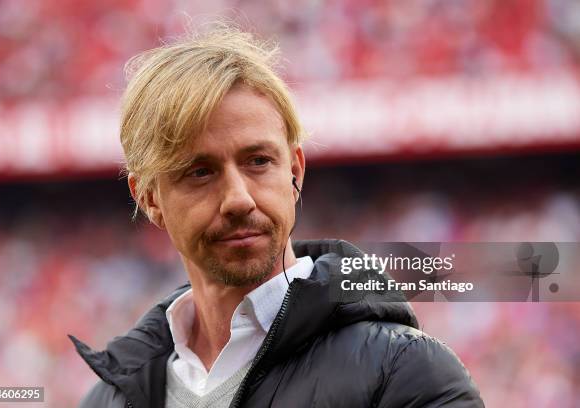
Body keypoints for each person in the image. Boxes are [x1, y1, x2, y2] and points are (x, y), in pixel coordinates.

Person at [71, 25, 484, 408]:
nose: (238, 199)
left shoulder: (405, 373)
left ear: (294, 171)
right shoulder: (107, 400)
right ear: (149, 197)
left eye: (258, 161)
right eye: (200, 172)